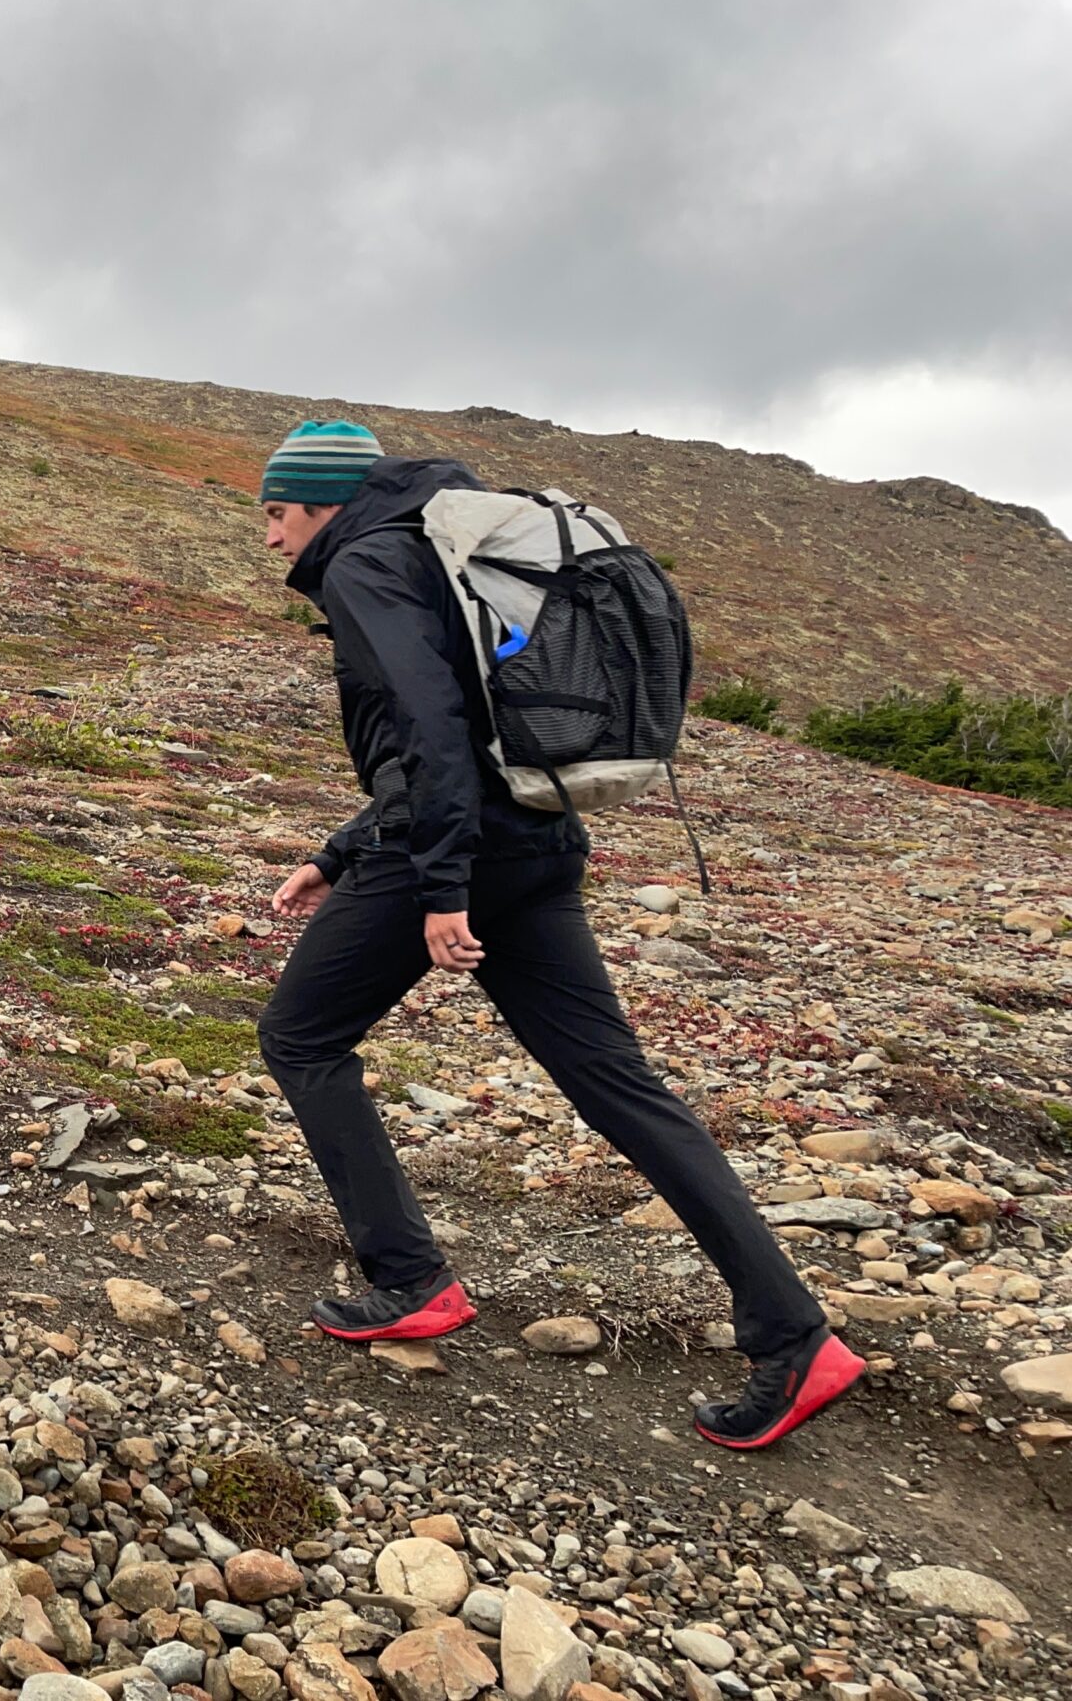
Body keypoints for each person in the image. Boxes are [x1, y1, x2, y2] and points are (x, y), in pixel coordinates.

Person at [251, 419, 864, 1450]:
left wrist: (435, 884)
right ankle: (795, 1336)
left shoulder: (362, 562)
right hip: (537, 837)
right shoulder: (436, 549)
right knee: (617, 1082)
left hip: (452, 856)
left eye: (275, 513)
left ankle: (406, 1278)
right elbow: (463, 732)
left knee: (299, 1038)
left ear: (321, 503)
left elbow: (435, 727)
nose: (270, 539)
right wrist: (341, 851)